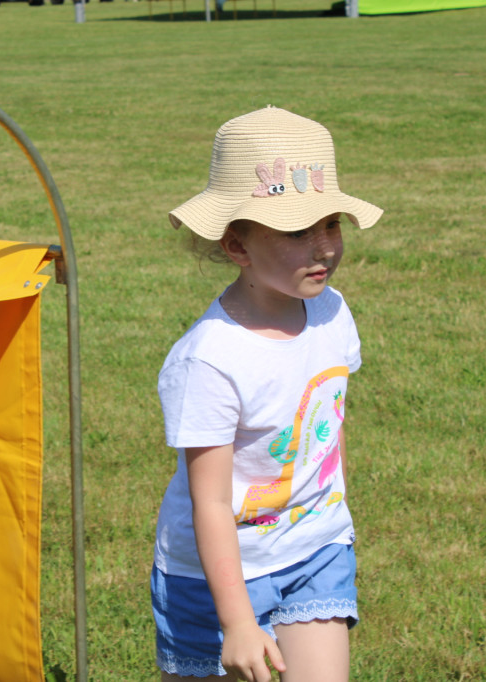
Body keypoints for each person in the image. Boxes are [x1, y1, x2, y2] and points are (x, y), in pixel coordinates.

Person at [151, 106, 383, 682]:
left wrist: (339, 514)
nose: (324, 246)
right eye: (297, 232)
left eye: (330, 224)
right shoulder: (210, 360)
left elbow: (330, 422)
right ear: (237, 247)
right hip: (218, 576)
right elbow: (209, 502)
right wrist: (236, 622)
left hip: (317, 547)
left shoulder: (332, 313)